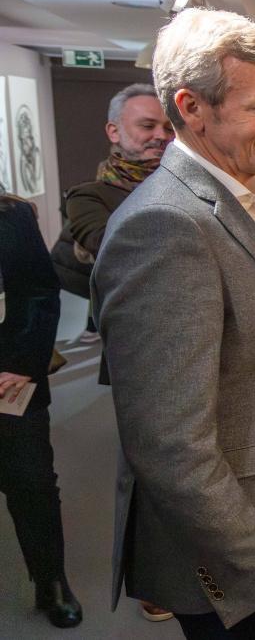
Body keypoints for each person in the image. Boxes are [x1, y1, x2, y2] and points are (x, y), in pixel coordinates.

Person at [91, 8, 255, 639]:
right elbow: (171, 445)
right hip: (232, 564)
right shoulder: (164, 227)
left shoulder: (239, 196)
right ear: (191, 107)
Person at [0, 195, 82, 629]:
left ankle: (50, 582)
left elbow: (39, 292)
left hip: (9, 377)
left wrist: (21, 363)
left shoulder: (11, 215)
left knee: (32, 483)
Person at [50, 83, 174, 345]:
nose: (161, 135)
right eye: (147, 126)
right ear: (114, 131)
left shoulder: (187, 183)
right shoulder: (88, 196)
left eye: (168, 128)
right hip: (136, 333)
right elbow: (111, 246)